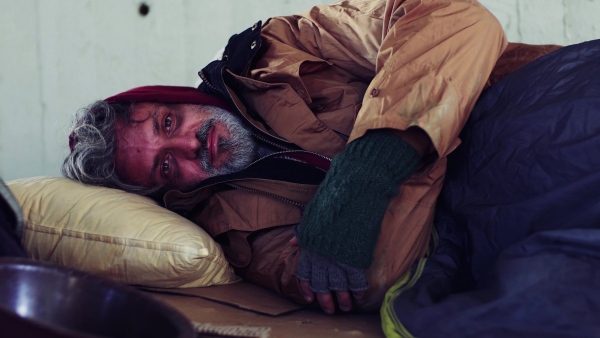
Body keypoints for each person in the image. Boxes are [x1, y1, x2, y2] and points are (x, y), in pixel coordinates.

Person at [62, 0, 560, 314]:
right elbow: (372, 278)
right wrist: (431, 118)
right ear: (170, 191)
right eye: (167, 166)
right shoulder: (233, 235)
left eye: (169, 123)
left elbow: (453, 16)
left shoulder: (276, 47)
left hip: (536, 104)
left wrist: (367, 172)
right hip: (500, 217)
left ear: (178, 98)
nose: (189, 144)